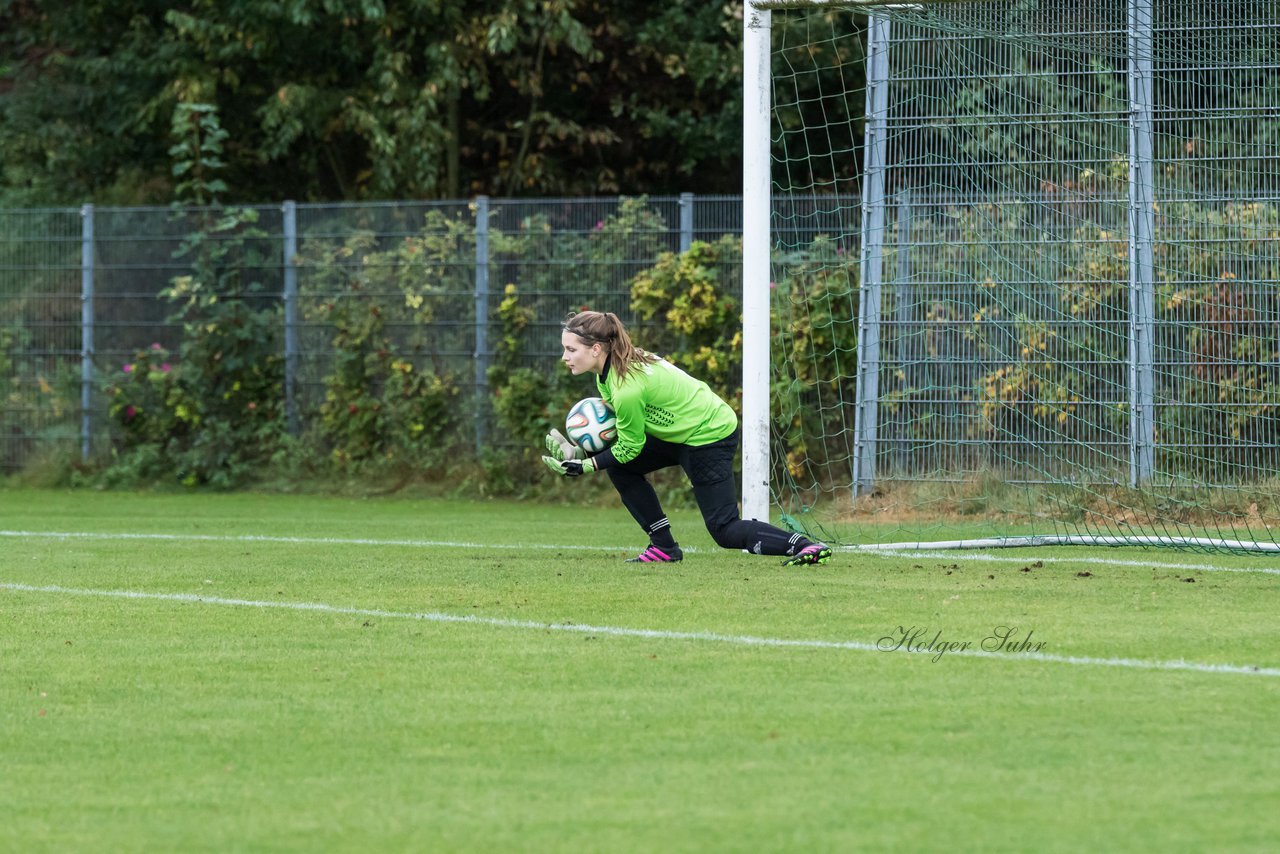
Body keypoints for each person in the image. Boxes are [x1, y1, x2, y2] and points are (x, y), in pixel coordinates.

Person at [541, 310, 832, 566]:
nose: (564, 357)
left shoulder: (626, 386)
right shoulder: (609, 372)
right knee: (620, 468)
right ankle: (664, 548)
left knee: (724, 530)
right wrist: (580, 451)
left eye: (570, 349)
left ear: (595, 349)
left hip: (708, 433)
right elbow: (625, 433)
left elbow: (630, 446)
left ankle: (803, 545)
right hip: (676, 433)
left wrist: (587, 465)